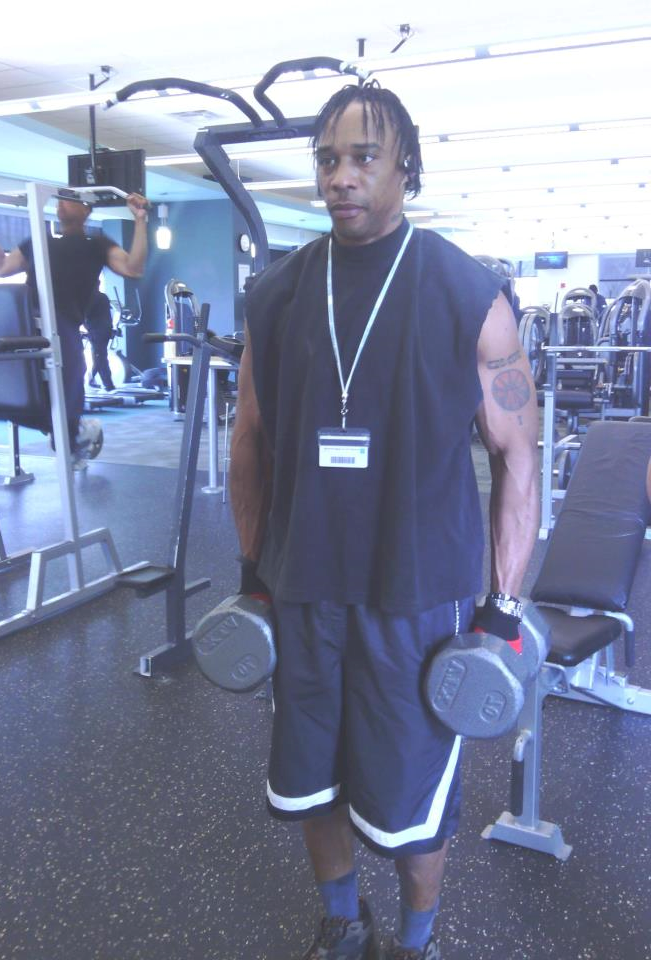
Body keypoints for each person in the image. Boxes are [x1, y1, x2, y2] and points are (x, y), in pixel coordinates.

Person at [230, 82, 539, 960]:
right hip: (304, 590)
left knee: (414, 806)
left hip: (417, 599)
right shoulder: (278, 293)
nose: (341, 176)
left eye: (363, 157)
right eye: (327, 158)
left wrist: (502, 611)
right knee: (310, 783)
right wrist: (254, 573)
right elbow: (248, 441)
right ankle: (341, 922)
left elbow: (519, 454)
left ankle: (415, 942)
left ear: (407, 166)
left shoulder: (467, 292)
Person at [0, 191, 148, 467]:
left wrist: (139, 220)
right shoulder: (38, 243)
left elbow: (133, 268)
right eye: (60, 199)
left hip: (63, 324)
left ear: (86, 210)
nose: (63, 203)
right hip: (28, 323)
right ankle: (68, 431)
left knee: (70, 383)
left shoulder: (97, 245)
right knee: (17, 392)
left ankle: (70, 433)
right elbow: (0, 266)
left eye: (71, 199)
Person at [84, 288, 116, 392]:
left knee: (99, 358)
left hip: (97, 331)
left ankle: (100, 382)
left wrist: (87, 328)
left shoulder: (89, 298)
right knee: (101, 357)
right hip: (105, 330)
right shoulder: (103, 297)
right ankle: (105, 383)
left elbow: (84, 314)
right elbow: (109, 315)